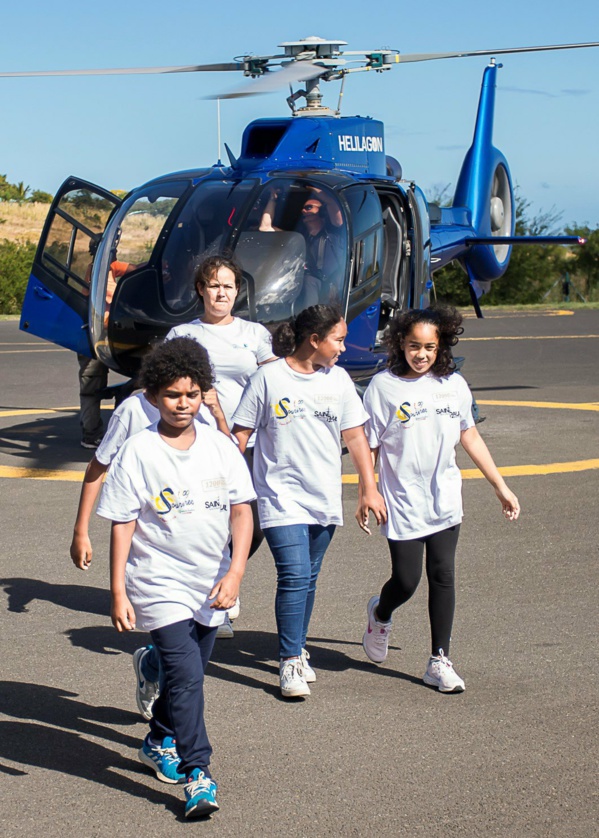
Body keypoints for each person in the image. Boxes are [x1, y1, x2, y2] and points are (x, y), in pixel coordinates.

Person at [96, 337, 255, 819]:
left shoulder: (221, 448)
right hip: (157, 581)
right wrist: (119, 590)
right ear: (152, 397)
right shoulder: (139, 451)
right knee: (187, 678)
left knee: (189, 674)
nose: (182, 404)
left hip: (211, 580)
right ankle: (198, 775)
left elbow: (243, 512)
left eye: (190, 394)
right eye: (171, 395)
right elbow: (122, 523)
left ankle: (158, 737)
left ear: (203, 391)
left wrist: (236, 572)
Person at [360, 306, 520, 692]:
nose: (422, 354)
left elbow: (470, 436)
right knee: (407, 580)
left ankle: (439, 660)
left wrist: (501, 486)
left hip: (444, 496)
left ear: (441, 346)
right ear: (400, 343)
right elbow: (368, 446)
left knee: (443, 575)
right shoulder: (383, 388)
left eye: (430, 347)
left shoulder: (453, 384)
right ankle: (380, 614)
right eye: (414, 346)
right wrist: (368, 490)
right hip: (402, 499)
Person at [232, 305, 387, 698]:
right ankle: (288, 662)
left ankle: (298, 650)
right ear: (313, 340)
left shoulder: (339, 382)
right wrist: (229, 490)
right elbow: (240, 436)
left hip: (323, 495)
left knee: (310, 577)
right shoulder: (268, 377)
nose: (343, 347)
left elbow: (355, 438)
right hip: (279, 495)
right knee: (295, 574)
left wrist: (368, 489)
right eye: (337, 339)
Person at [70, 386, 231, 718]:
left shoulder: (200, 407)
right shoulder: (132, 411)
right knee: (184, 666)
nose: (184, 400)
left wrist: (217, 414)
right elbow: (98, 466)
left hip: (201, 552)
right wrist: (81, 531)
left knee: (187, 649)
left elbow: (233, 462)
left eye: (194, 387)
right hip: (153, 553)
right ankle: (170, 741)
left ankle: (151, 666)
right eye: (174, 388)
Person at [166, 254, 277, 632]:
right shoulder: (183, 335)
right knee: (205, 519)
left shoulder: (255, 335)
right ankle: (210, 595)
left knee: (255, 522)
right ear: (200, 290)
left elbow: (275, 382)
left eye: (228, 286)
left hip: (246, 442)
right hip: (198, 444)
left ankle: (228, 575)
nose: (221, 293)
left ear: (237, 291)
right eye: (214, 285)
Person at [259, 187, 345, 307]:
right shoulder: (299, 237)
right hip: (311, 285)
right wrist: (272, 199)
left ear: (322, 212)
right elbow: (265, 228)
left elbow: (331, 203)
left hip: (336, 286)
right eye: (303, 209)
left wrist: (311, 185)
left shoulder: (335, 232)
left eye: (309, 208)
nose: (304, 211)